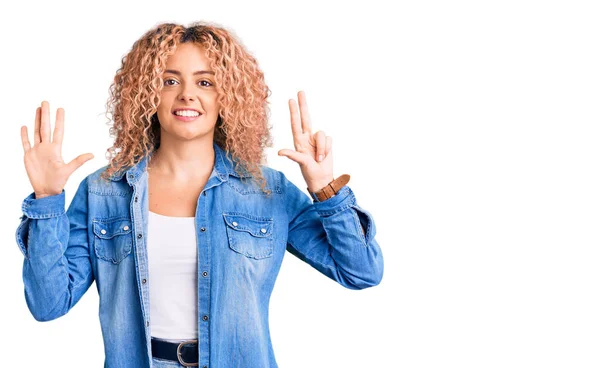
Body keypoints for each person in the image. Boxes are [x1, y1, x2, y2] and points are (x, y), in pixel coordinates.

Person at [17, 21, 384, 368]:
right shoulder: (103, 192)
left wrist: (326, 190)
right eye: (169, 80)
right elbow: (48, 304)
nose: (187, 94)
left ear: (228, 97)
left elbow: (361, 272)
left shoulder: (267, 190)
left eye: (205, 82)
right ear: (147, 95)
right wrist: (47, 201)